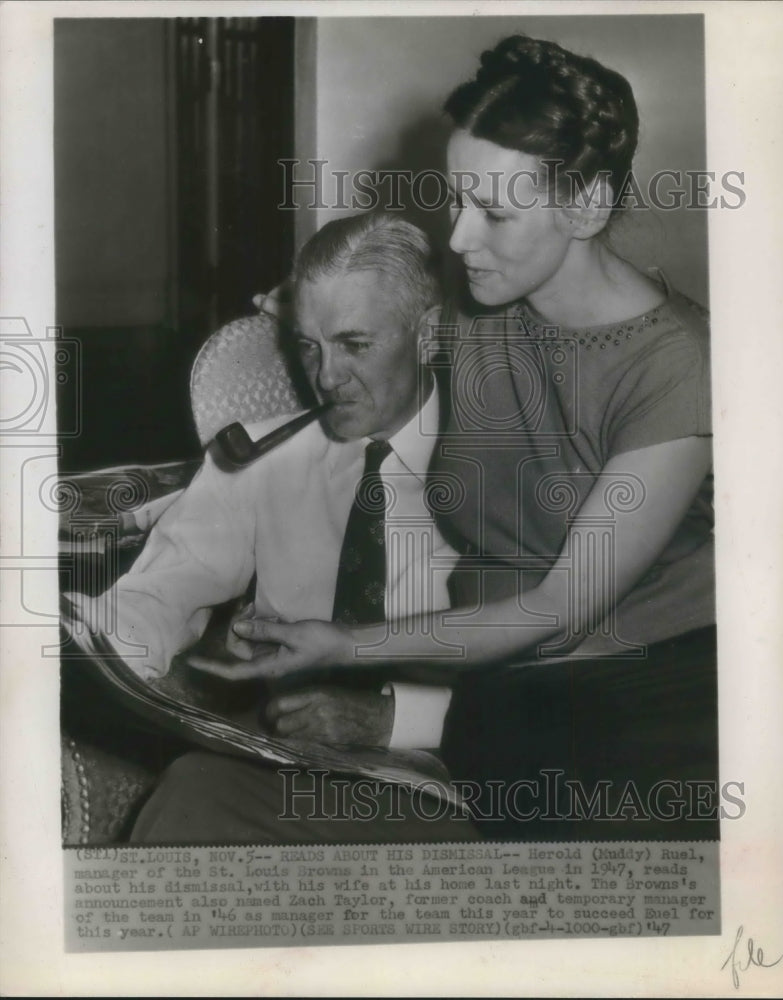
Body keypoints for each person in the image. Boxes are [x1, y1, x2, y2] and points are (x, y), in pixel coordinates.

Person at [225, 35, 718, 840]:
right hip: (501, 698)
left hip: (649, 707)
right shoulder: (474, 298)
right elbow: (379, 302)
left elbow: (560, 608)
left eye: (494, 212)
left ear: (587, 205)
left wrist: (345, 647)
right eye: (455, 200)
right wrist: (317, 312)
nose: (457, 238)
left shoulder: (679, 367)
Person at [74, 212, 481, 844]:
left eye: (354, 344)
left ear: (427, 333)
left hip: (458, 777)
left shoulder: (503, 465)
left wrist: (391, 719)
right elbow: (164, 590)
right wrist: (92, 645)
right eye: (309, 346)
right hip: (288, 769)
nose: (325, 377)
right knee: (193, 792)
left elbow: (555, 677)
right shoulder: (263, 457)